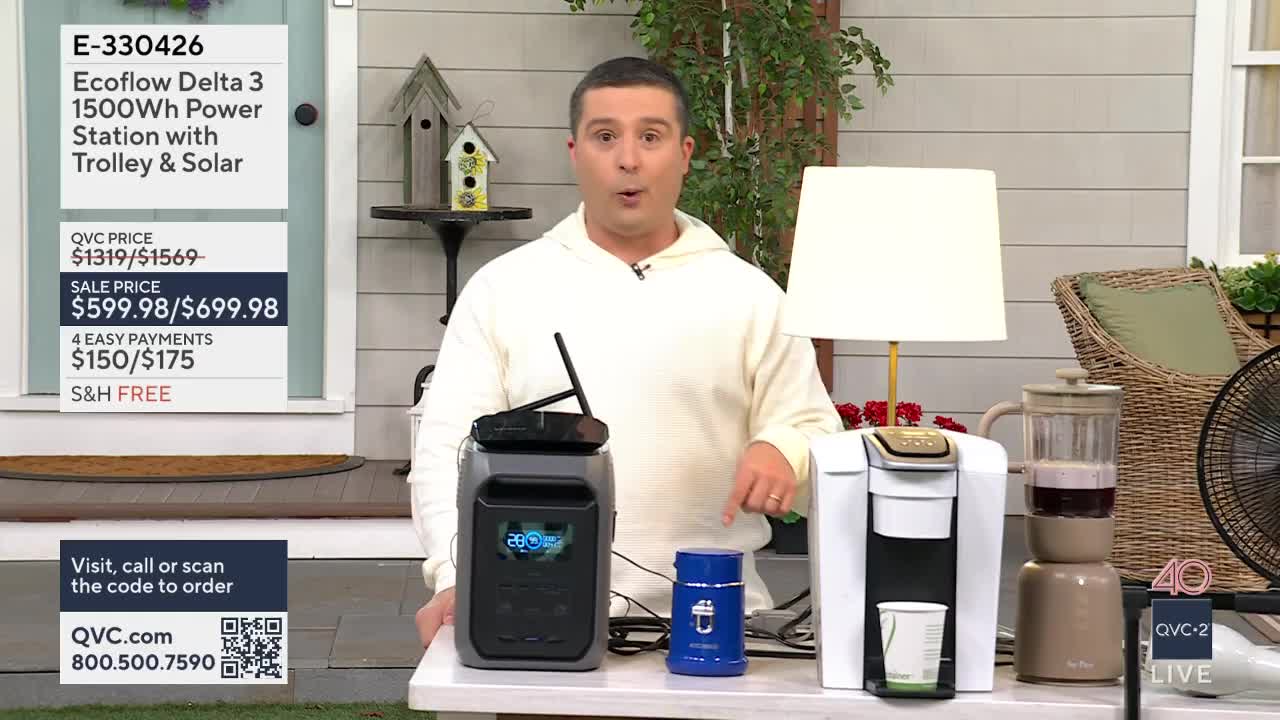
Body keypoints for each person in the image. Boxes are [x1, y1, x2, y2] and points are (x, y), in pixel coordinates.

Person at [410, 55, 841, 649]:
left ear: (686, 154)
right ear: (575, 152)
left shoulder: (751, 297)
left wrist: (783, 447)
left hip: (714, 624)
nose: (628, 159)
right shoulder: (504, 289)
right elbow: (447, 453)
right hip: (531, 611)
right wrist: (457, 576)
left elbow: (816, 434)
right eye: (605, 136)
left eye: (651, 137)